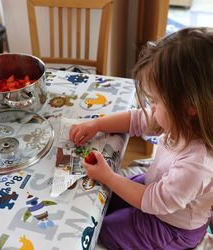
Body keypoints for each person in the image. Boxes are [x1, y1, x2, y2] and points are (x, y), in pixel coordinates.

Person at [69, 27, 213, 249]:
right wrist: (96, 124)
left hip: (172, 226)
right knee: (103, 198)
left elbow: (155, 201)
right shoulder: (180, 119)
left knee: (104, 230)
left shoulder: (198, 164)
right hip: (155, 189)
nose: (151, 107)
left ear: (189, 106)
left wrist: (109, 176)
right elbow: (137, 120)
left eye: (155, 100)